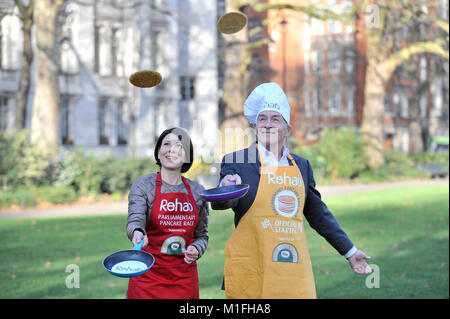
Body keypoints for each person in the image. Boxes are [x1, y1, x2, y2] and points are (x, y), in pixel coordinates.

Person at [212, 82, 371, 299]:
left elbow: (318, 214)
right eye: (262, 119)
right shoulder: (237, 161)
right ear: (256, 127)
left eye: (275, 119)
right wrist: (226, 187)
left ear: (287, 130)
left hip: (292, 270)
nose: (267, 125)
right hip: (252, 268)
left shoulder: (302, 166)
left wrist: (350, 252)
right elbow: (221, 203)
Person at [126, 127, 209, 299]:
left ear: (187, 155)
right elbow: (135, 221)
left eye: (179, 146)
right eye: (166, 144)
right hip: (146, 278)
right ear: (158, 152)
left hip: (184, 280)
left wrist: (196, 248)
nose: (172, 150)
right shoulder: (143, 185)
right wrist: (137, 233)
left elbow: (202, 235)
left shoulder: (198, 191)